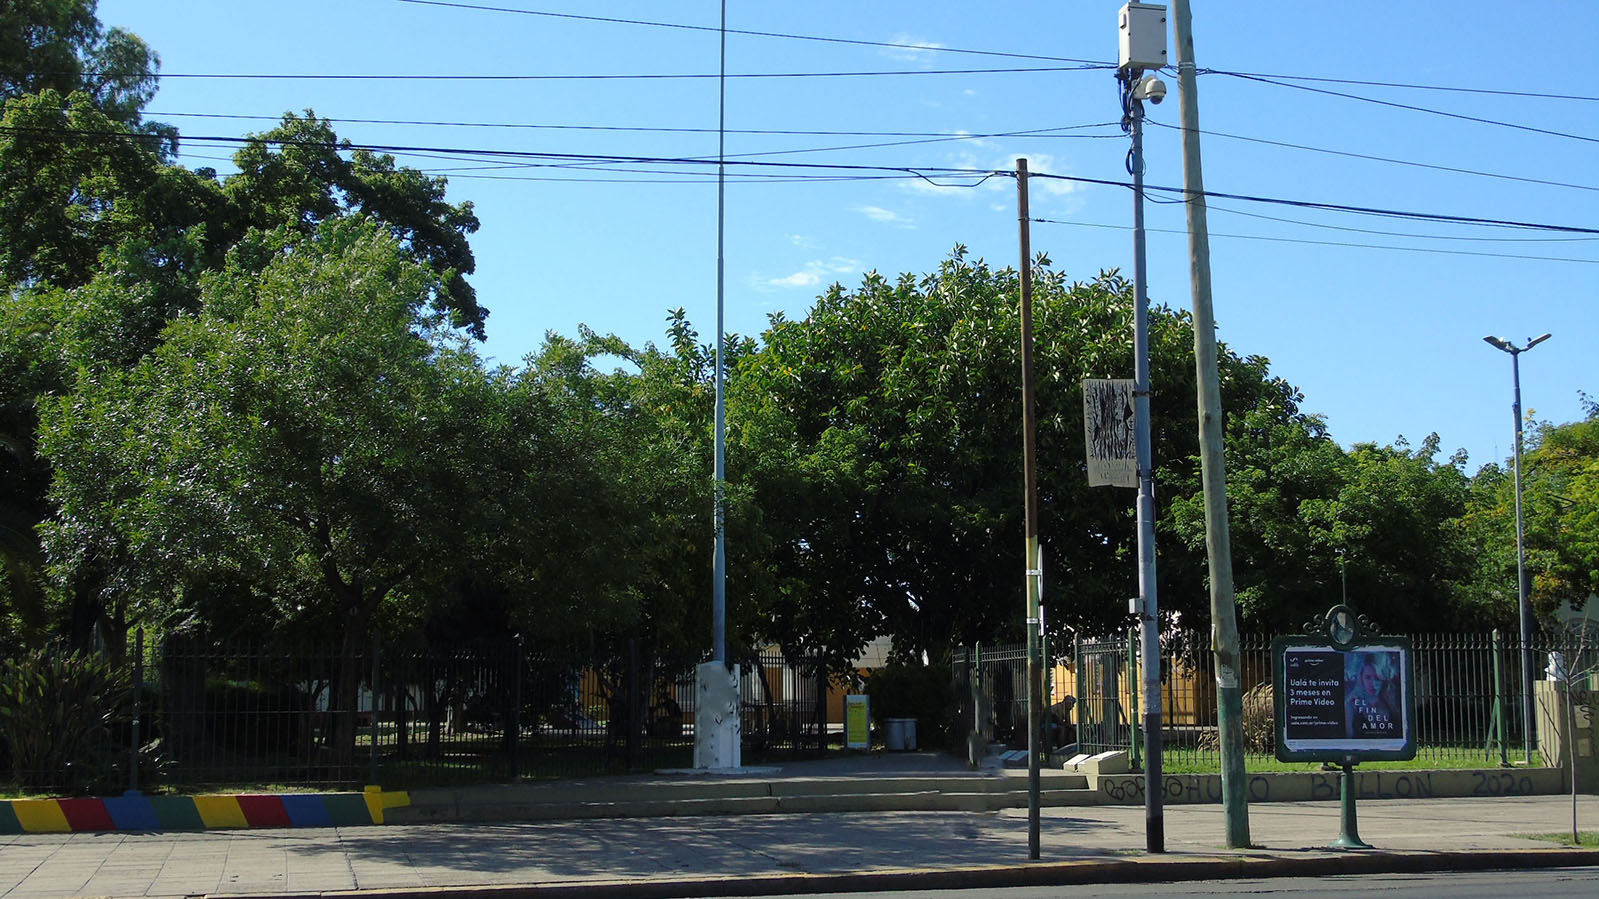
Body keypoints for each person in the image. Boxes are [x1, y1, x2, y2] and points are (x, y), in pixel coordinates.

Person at [1345, 654, 1399, 739]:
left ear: (1383, 679)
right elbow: (1348, 737)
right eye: (1367, 677)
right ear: (1361, 678)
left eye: (1377, 678)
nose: (1372, 684)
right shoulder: (1352, 703)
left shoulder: (1391, 701)